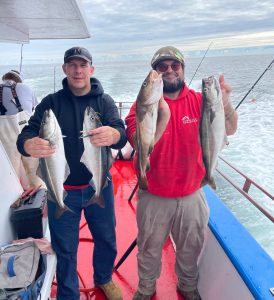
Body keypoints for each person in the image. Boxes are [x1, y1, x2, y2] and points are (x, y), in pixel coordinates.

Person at [125, 46, 238, 300]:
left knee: (191, 247)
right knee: (149, 248)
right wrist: (160, 112)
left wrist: (226, 104)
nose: (169, 70)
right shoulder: (141, 106)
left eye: (174, 65)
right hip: (153, 194)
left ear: (183, 69)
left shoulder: (201, 101)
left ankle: (187, 286)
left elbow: (228, 130)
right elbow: (135, 139)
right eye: (161, 67)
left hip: (193, 193)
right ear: (154, 73)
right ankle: (146, 289)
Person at [17, 47, 127, 300]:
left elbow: (121, 135)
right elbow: (26, 134)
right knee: (65, 248)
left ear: (91, 69)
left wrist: (114, 134)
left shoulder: (104, 102)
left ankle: (104, 278)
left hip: (99, 186)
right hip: (61, 190)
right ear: (65, 69)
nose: (78, 70)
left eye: (83, 65)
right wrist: (27, 144)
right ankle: (68, 294)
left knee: (107, 238)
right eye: (72, 65)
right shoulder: (50, 103)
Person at [0, 69, 42, 189]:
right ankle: (40, 194)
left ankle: (16, 196)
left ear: (4, 78)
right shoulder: (25, 87)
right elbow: (34, 108)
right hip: (26, 134)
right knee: (33, 169)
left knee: (12, 171)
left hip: (6, 137)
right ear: (19, 80)